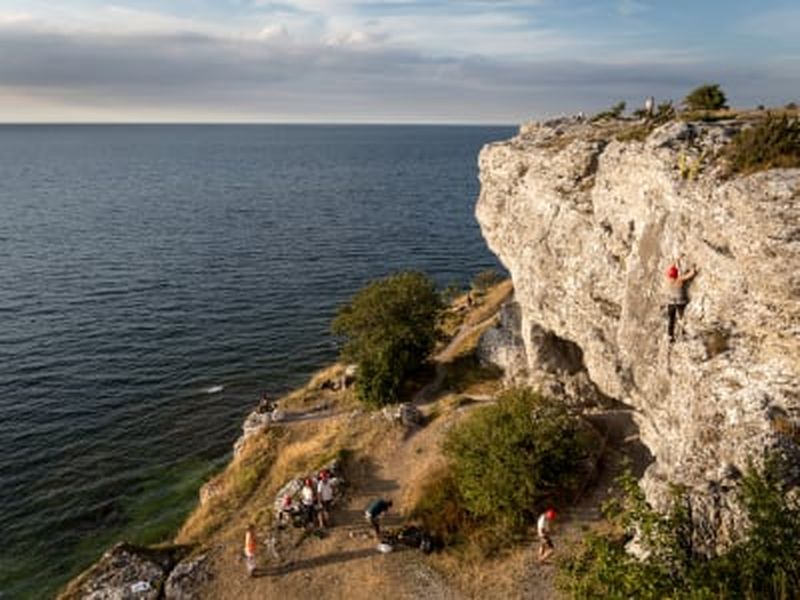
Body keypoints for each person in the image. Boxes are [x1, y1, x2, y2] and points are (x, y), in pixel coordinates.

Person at [665, 261, 698, 343]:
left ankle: (670, 336)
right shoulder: (679, 280)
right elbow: (691, 274)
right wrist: (693, 268)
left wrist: (675, 262)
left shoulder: (668, 280)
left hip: (671, 303)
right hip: (680, 302)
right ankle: (683, 335)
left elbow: (670, 271)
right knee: (682, 319)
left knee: (671, 320)